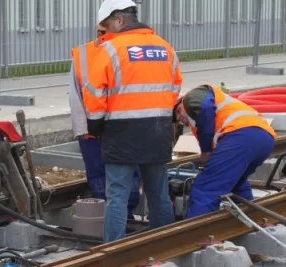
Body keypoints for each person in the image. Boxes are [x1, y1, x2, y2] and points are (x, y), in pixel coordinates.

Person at [83, 0, 183, 242]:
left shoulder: (109, 50)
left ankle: (115, 249)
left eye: (106, 26)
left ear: (119, 20)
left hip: (121, 132)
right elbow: (175, 86)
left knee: (117, 194)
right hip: (158, 131)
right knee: (158, 191)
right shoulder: (165, 48)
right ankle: (164, 244)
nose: (104, 32)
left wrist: (95, 127)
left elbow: (95, 93)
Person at [69, 24, 141, 220]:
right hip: (95, 130)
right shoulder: (83, 54)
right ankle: (111, 219)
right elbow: (75, 95)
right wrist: (82, 127)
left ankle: (125, 215)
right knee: (101, 176)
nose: (104, 36)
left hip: (121, 127)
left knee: (128, 173)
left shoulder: (127, 51)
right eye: (101, 32)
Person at [173, 84, 276, 218]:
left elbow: (205, 108)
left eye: (178, 111)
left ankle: (199, 237)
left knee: (205, 188)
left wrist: (206, 151)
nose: (179, 118)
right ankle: (250, 222)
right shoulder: (206, 120)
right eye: (177, 120)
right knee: (236, 184)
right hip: (264, 139)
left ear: (181, 101)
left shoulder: (192, 96)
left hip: (241, 136)